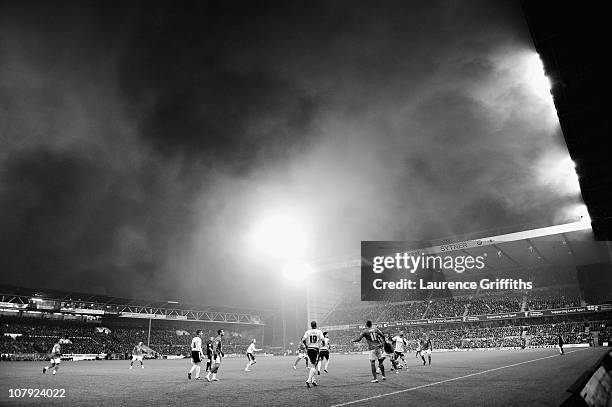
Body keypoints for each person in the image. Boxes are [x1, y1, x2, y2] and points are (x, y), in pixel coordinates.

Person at [302, 321, 324, 388]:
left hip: (309, 349)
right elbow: (323, 339)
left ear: (311, 326)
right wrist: (323, 344)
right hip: (315, 349)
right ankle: (308, 380)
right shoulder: (319, 332)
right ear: (316, 325)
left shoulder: (308, 332)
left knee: (312, 365)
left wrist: (306, 345)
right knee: (314, 365)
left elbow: (303, 339)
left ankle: (313, 380)